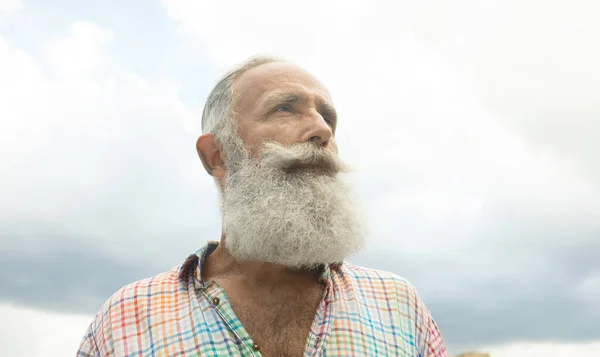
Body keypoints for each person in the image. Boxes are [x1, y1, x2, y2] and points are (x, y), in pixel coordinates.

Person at [76, 56, 448, 357]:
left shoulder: (397, 304)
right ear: (217, 156)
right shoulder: (128, 316)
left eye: (328, 117)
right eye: (286, 108)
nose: (323, 130)